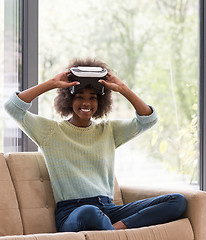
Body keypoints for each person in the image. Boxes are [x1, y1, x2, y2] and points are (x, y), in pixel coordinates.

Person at [4, 58, 187, 232]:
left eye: (92, 97)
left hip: (109, 209)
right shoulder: (50, 132)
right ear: (68, 99)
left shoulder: (109, 131)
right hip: (73, 212)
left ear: (100, 102)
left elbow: (148, 119)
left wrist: (122, 89)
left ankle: (115, 230)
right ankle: (112, 231)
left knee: (177, 201)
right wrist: (52, 83)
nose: (86, 103)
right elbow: (13, 107)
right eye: (80, 97)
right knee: (89, 212)